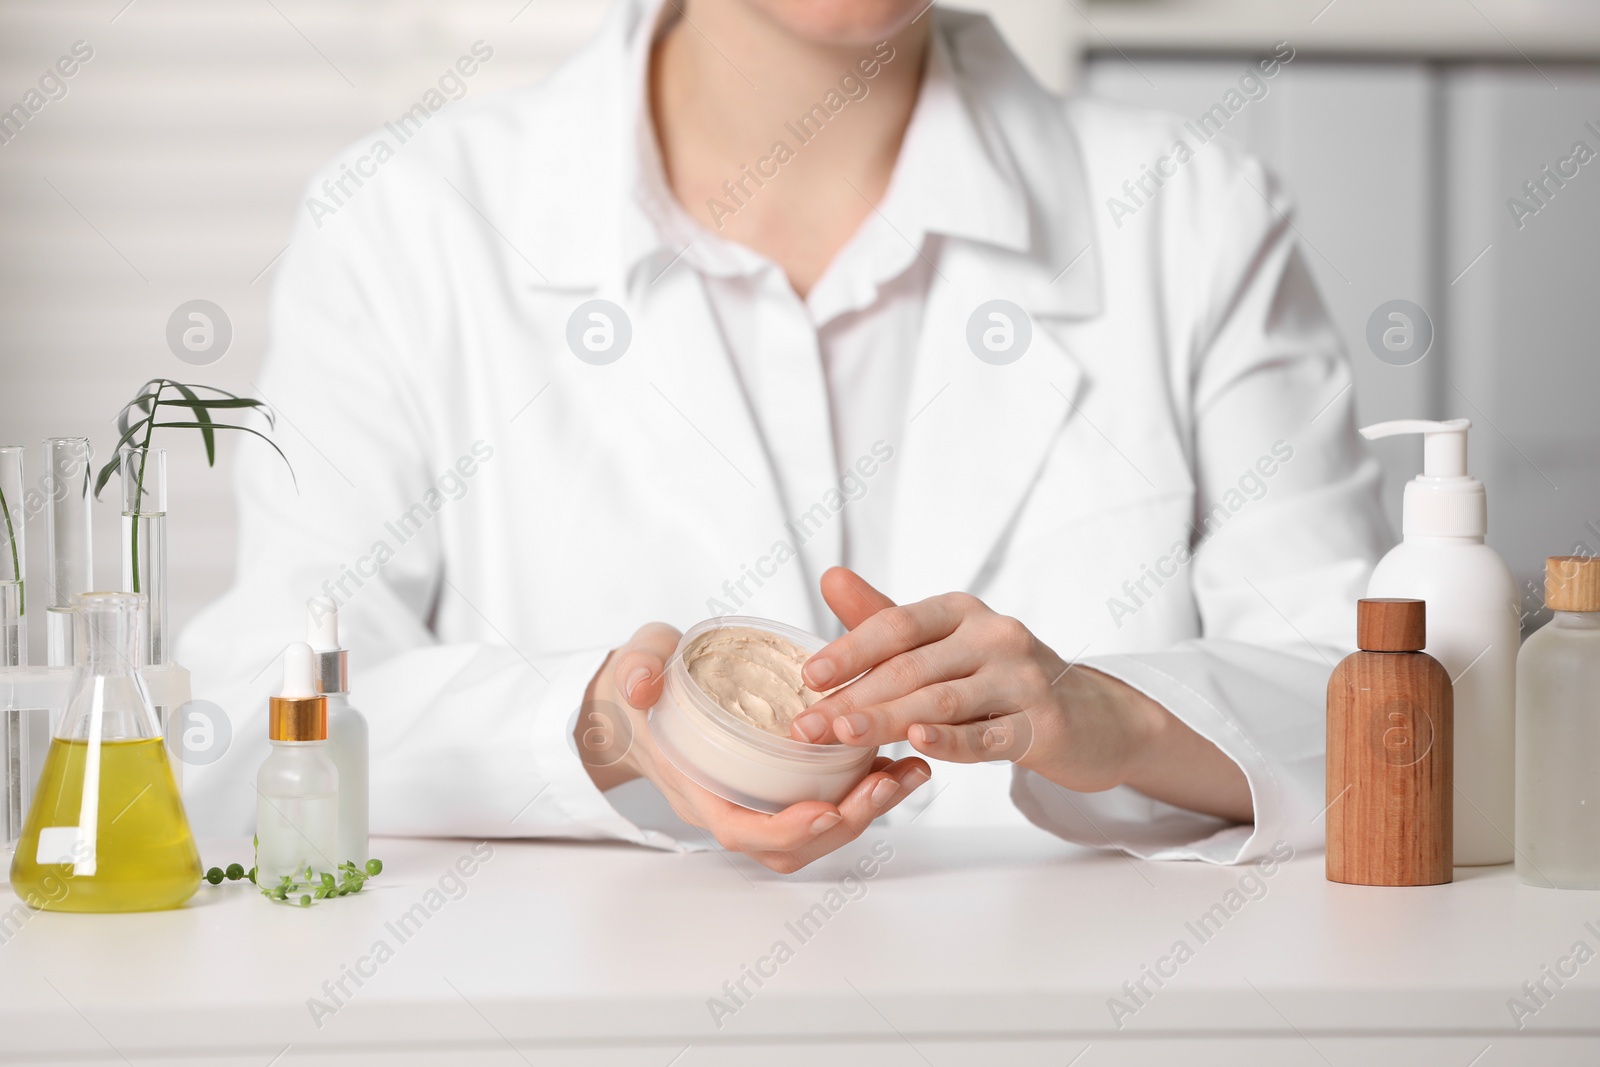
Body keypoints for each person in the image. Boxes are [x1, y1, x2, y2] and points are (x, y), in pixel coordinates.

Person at [178, 0, 1387, 872]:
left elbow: (1388, 715)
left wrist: (1114, 717)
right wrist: (598, 724)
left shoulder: (1189, 215)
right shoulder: (407, 224)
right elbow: (246, 728)